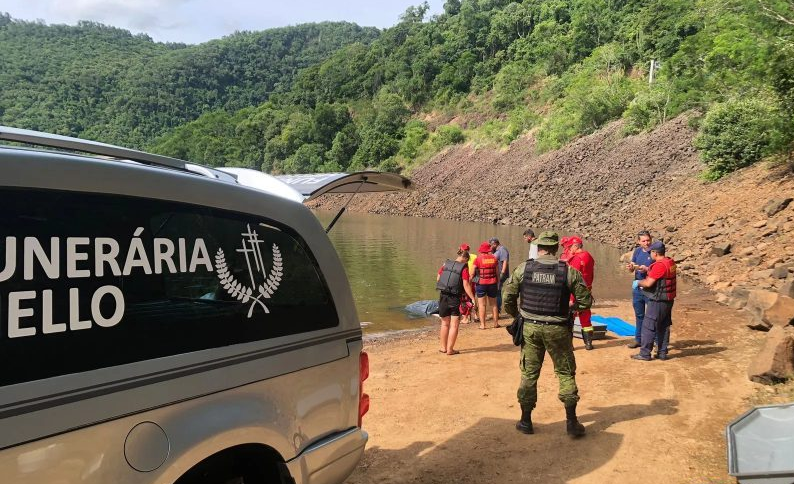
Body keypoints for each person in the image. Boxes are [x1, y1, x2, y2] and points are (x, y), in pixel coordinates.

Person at [502, 231, 592, 437]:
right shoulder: (568, 271)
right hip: (558, 329)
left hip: (530, 328)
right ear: (556, 248)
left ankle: (525, 421)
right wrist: (569, 310)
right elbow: (585, 301)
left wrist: (518, 315)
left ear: (539, 247)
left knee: (529, 373)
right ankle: (572, 423)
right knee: (565, 373)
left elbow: (508, 298)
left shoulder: (524, 268)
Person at [631, 241, 676, 361]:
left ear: (655, 253)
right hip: (668, 300)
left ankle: (645, 353)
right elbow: (661, 276)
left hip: (658, 301)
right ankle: (662, 352)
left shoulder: (659, 265)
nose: (650, 254)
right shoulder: (670, 262)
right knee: (664, 326)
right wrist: (647, 269)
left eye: (651, 252)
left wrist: (638, 283)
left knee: (648, 326)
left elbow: (648, 283)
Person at [436, 246, 476, 355]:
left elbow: (438, 278)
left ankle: (443, 348)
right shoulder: (464, 268)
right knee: (454, 325)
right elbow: (466, 285)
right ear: (466, 259)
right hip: (455, 298)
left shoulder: (446, 264)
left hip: (443, 295)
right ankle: (450, 349)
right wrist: (472, 298)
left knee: (444, 323)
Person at [566, 236, 596, 350]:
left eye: (570, 247)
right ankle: (588, 344)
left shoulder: (576, 259)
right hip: (586, 291)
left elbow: (572, 278)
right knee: (586, 318)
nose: (569, 249)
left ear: (575, 246)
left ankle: (569, 345)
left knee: (570, 318)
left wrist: (571, 299)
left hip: (575, 293)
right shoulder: (589, 256)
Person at [626, 230, 653, 349]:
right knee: (639, 315)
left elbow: (659, 269)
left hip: (650, 288)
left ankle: (654, 340)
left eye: (648, 240)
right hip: (637, 287)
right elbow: (632, 269)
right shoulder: (637, 251)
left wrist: (647, 269)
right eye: (644, 241)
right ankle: (638, 339)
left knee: (652, 316)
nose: (646, 243)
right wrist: (631, 267)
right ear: (639, 242)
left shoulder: (654, 252)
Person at [473, 241, 500, 329]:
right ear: (489, 250)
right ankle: (496, 323)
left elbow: (472, 273)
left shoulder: (478, 259)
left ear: (481, 250)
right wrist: (498, 282)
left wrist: (470, 281)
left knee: (482, 305)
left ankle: (483, 325)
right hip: (492, 283)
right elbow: (497, 273)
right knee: (494, 304)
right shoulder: (494, 258)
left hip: (481, 283)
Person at [490, 237, 510, 314]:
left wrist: (502, 273)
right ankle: (496, 311)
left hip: (500, 274)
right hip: (497, 274)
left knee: (497, 292)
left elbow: (505, 261)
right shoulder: (497, 251)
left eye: (491, 245)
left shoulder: (502, 249)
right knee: (496, 292)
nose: (490, 246)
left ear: (495, 244)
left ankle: (497, 311)